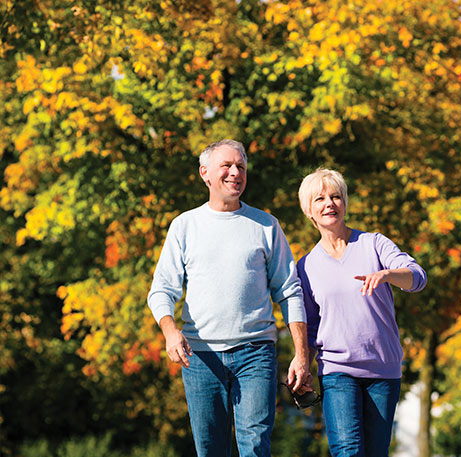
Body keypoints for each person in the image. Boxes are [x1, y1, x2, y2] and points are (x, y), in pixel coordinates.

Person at [147, 139, 312, 457]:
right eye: (227, 166)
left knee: (254, 447)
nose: (235, 172)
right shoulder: (185, 226)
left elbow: (290, 291)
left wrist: (301, 355)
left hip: (256, 354)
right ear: (205, 173)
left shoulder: (266, 225)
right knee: (210, 450)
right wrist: (170, 332)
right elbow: (162, 290)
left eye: (241, 167)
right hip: (200, 357)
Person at [296, 168, 427, 457]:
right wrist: (302, 363)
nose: (329, 203)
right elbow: (309, 327)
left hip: (384, 369)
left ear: (345, 203)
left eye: (336, 196)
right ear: (309, 210)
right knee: (348, 451)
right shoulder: (305, 267)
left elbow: (417, 277)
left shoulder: (374, 244)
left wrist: (389, 274)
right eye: (320, 199)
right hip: (337, 370)